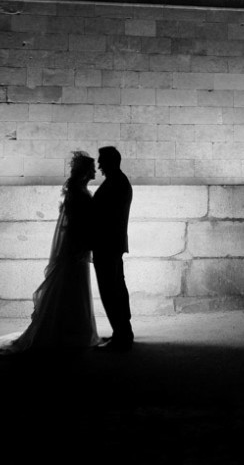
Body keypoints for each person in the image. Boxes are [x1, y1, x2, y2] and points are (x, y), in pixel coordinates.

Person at [0, 151, 100, 357]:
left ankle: (72, 331)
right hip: (76, 250)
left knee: (73, 290)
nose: (95, 171)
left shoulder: (78, 190)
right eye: (92, 168)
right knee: (73, 289)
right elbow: (76, 225)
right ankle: (72, 333)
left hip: (77, 249)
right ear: (86, 171)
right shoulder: (78, 193)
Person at [92, 146, 134, 351]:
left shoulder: (115, 183)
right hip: (111, 244)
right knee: (115, 287)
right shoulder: (118, 181)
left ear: (110, 161)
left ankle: (122, 333)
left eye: (101, 160)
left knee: (111, 289)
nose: (98, 165)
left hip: (107, 245)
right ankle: (122, 331)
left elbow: (104, 216)